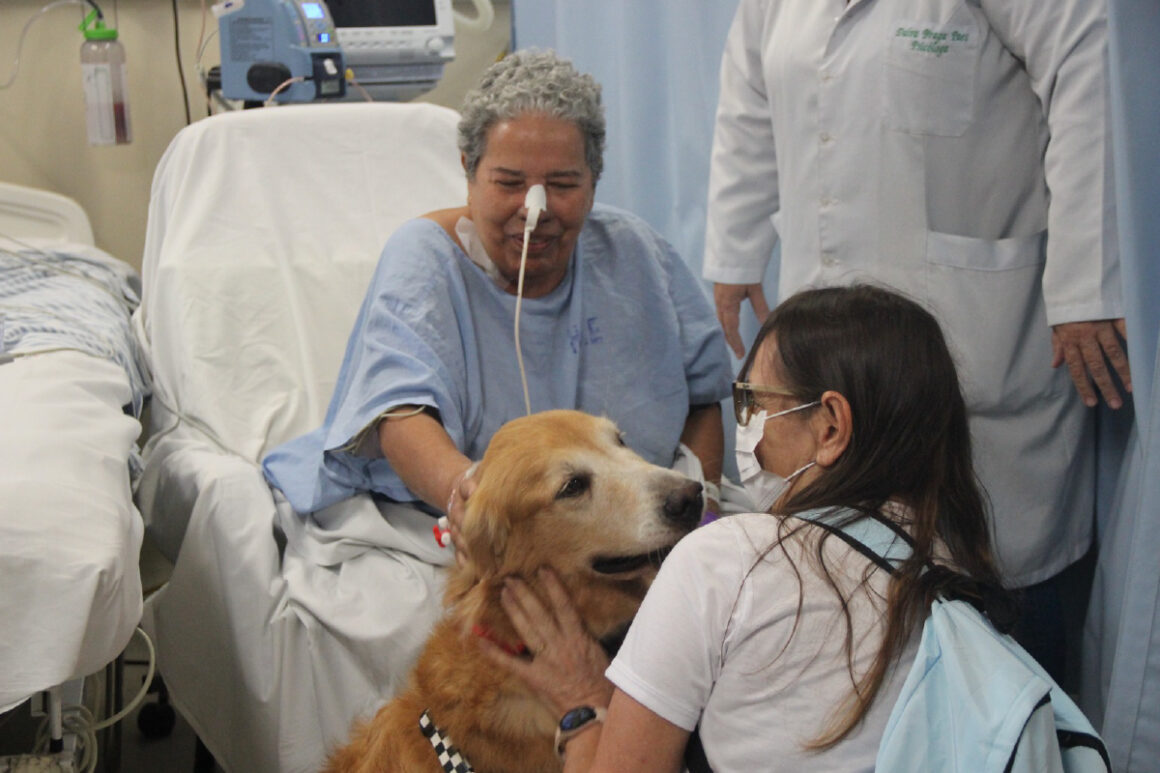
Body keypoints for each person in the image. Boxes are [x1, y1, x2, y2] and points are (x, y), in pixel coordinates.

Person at [260, 48, 731, 679]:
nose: (534, 208)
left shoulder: (636, 254)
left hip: (645, 517)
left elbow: (704, 391)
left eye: (563, 184)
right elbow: (399, 410)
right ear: (468, 170)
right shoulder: (426, 258)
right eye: (509, 182)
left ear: (595, 179)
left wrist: (706, 506)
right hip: (480, 525)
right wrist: (469, 494)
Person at [701, 0, 1131, 678]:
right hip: (833, 338)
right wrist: (734, 248)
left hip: (980, 331)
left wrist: (1089, 282)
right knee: (847, 608)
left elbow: (1092, 77)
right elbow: (748, 102)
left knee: (999, 617)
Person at [481, 284, 1013, 770]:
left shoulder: (726, 561)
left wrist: (582, 707)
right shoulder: (955, 570)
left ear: (829, 427)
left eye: (753, 402)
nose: (745, 427)